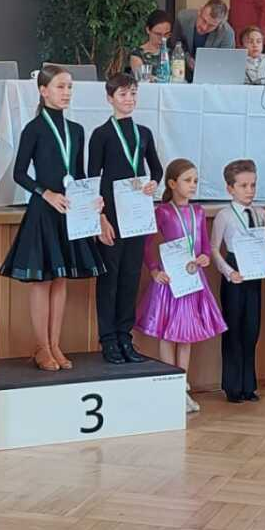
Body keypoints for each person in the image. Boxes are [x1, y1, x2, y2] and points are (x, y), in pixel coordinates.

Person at [0, 65, 105, 370]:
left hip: (69, 212)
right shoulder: (34, 129)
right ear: (43, 91)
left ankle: (55, 344)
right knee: (42, 281)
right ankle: (41, 346)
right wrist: (45, 193)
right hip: (44, 212)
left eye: (70, 87)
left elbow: (79, 174)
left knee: (60, 279)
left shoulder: (77, 131)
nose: (66, 92)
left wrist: (91, 199)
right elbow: (19, 173)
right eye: (60, 87)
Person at [137, 159, 227, 413]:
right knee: (168, 334)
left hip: (192, 280)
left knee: (186, 335)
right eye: (187, 180)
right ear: (172, 183)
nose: (193, 185)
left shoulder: (198, 211)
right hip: (170, 280)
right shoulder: (163, 212)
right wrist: (154, 270)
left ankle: (182, 387)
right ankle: (170, 385)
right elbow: (148, 244)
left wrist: (204, 258)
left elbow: (204, 246)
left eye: (195, 180)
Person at [88, 73, 162, 364]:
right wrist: (100, 218)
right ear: (110, 98)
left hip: (137, 215)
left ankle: (124, 337)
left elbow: (156, 169)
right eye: (122, 94)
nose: (129, 99)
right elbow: (92, 179)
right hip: (112, 216)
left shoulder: (144, 133)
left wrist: (154, 183)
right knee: (110, 277)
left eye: (132, 93)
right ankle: (108, 340)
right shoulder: (101, 134)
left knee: (131, 276)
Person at [210, 160, 265, 403]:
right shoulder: (224, 216)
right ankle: (233, 386)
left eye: (253, 185)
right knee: (234, 329)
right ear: (230, 188)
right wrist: (228, 272)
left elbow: (264, 243)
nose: (250, 190)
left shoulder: (260, 214)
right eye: (243, 186)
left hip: (254, 274)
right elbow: (214, 249)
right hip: (235, 272)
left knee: (251, 328)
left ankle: (249, 385)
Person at [171, 0, 236, 77]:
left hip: (212, 74)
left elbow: (226, 64)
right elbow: (174, 44)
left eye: (211, 26)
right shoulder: (183, 18)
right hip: (181, 70)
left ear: (219, 25)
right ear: (200, 11)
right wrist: (187, 58)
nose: (204, 27)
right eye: (204, 20)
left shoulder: (227, 34)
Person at [128, 10, 173, 78]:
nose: (163, 38)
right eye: (158, 34)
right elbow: (142, 77)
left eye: (166, 34)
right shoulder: (137, 54)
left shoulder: (172, 53)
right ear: (148, 30)